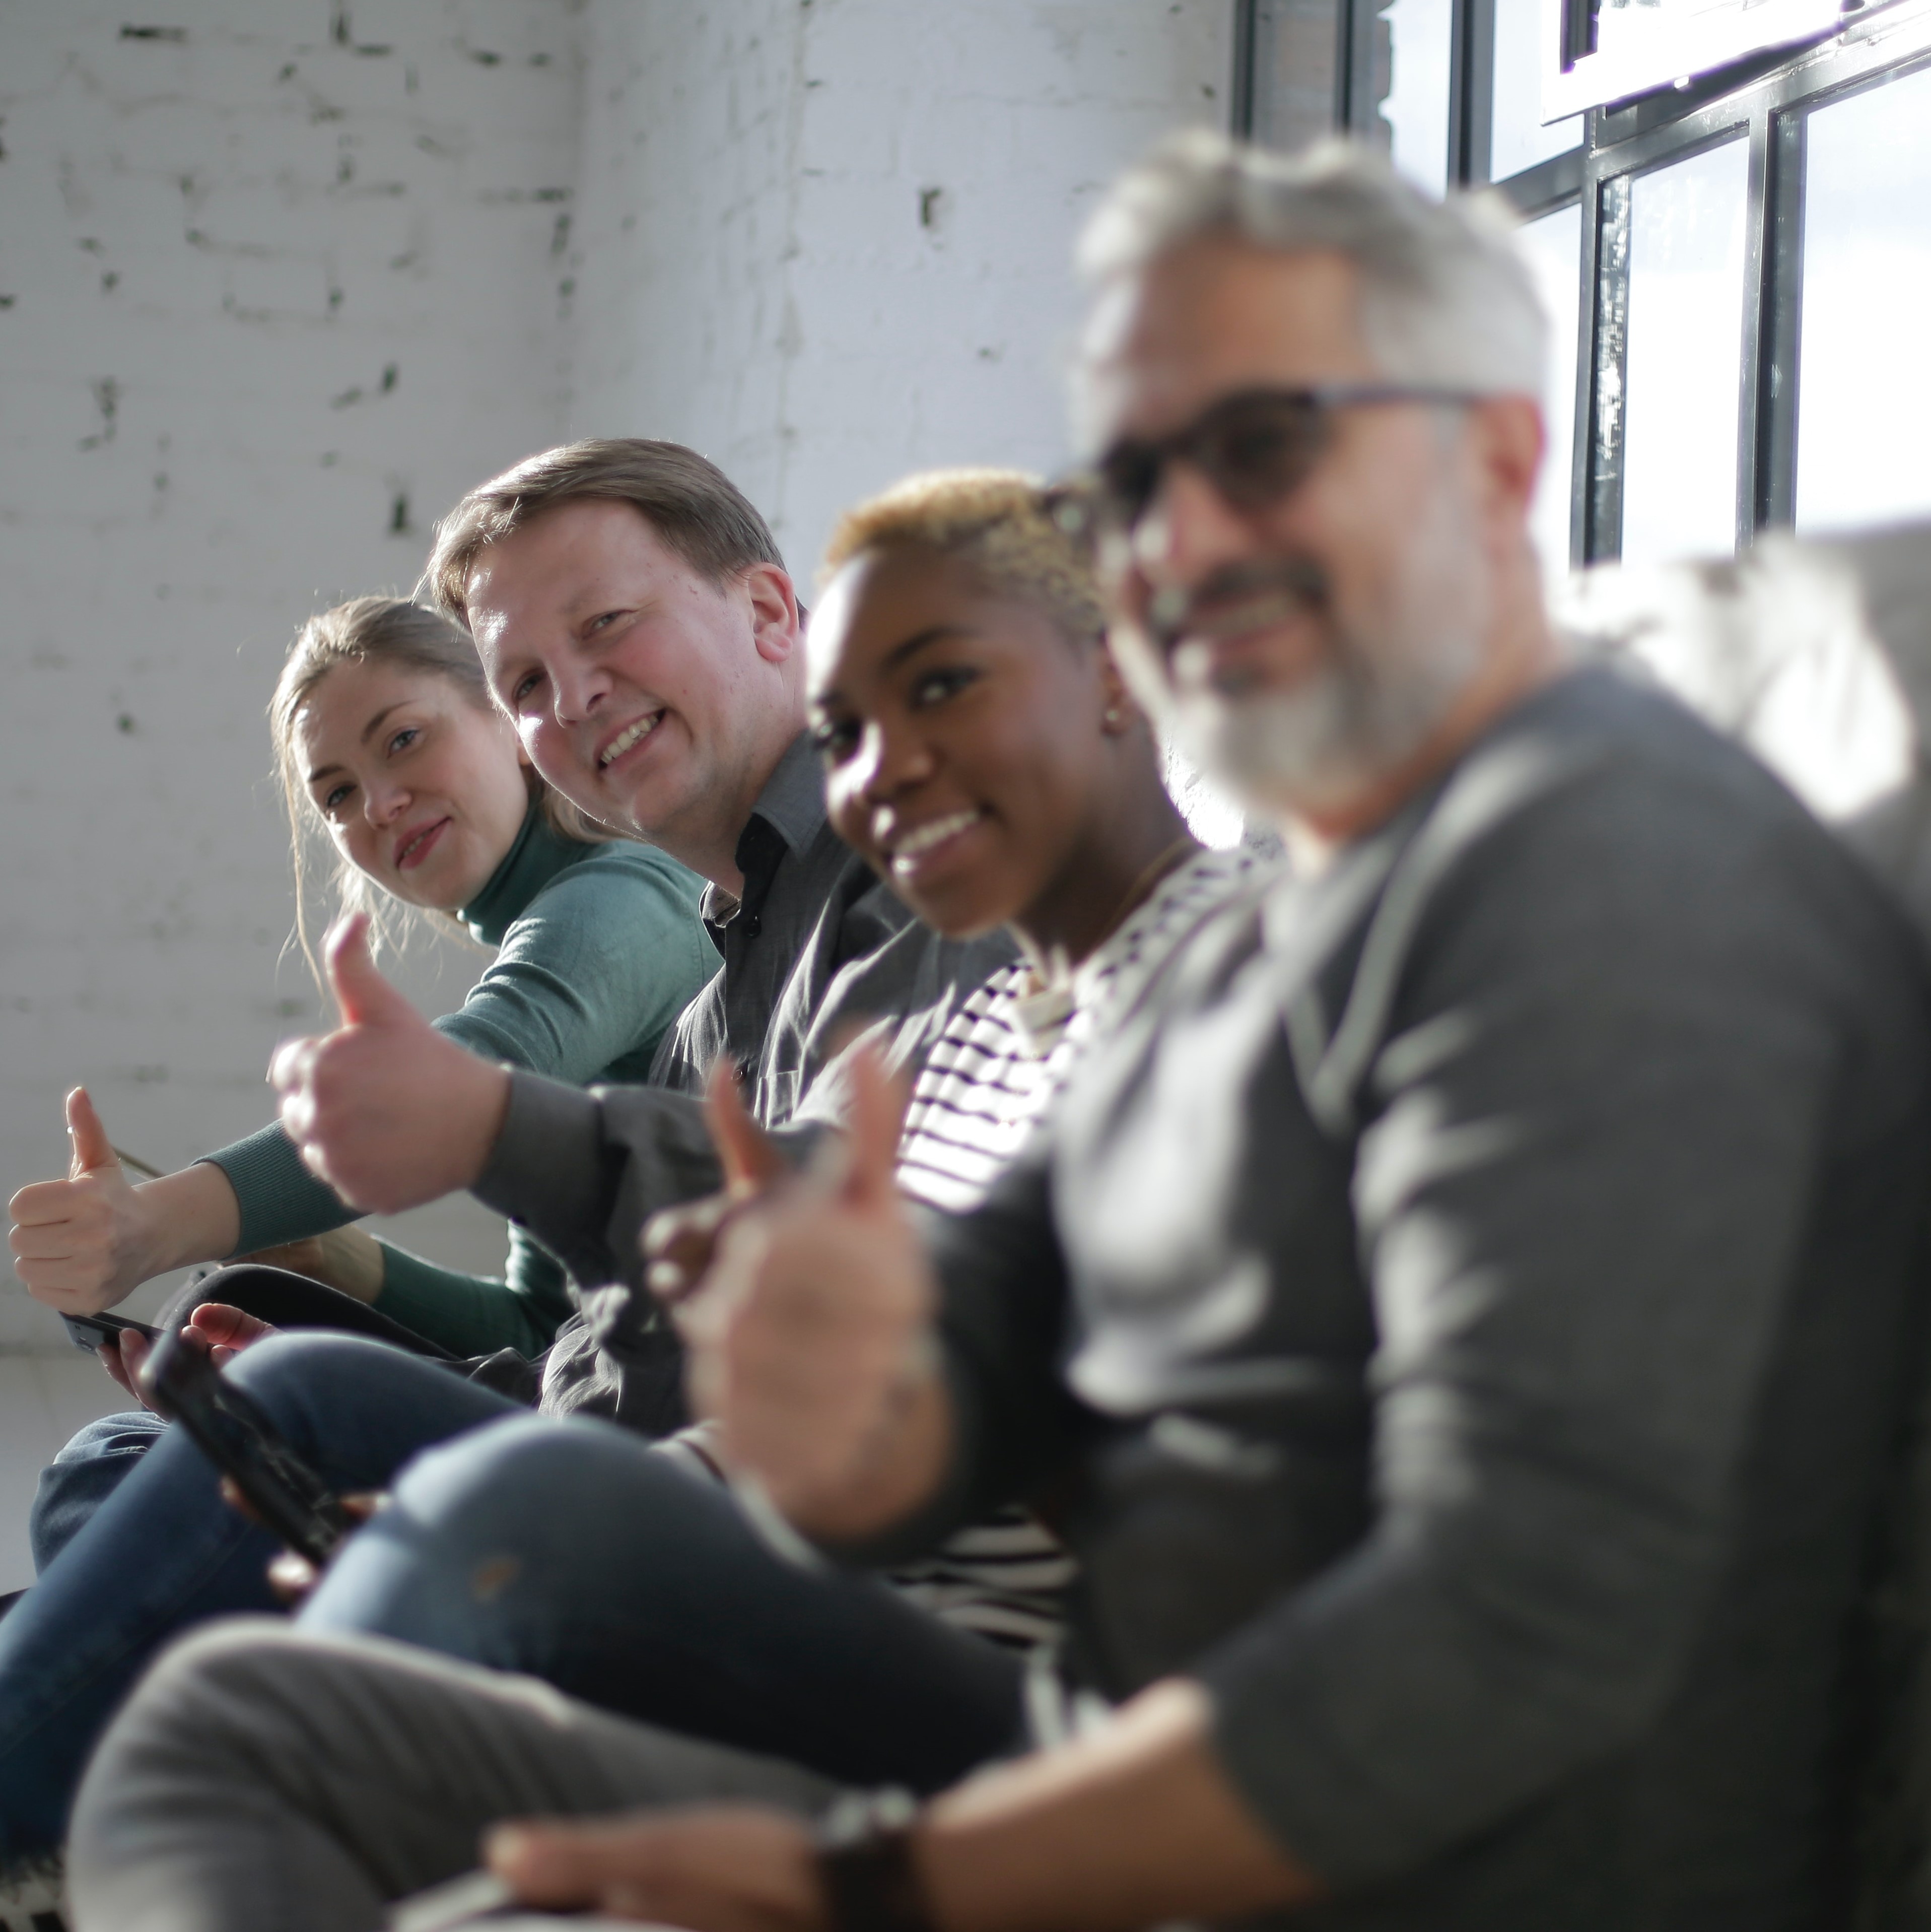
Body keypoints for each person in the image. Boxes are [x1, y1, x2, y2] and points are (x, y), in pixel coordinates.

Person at [69, 134, 1931, 1932]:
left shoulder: (1608, 887)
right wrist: (835, 1410)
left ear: (1502, 458)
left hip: (1283, 1832)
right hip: (1056, 1730)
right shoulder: (1206, 976)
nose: (1183, 542)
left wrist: (882, 1874)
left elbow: (1515, 1615)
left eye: (1266, 445)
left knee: (503, 1512)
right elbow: (976, 1373)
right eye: (1140, 478)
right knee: (233, 1724)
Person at [0, 442, 1008, 1864]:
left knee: (278, 1406)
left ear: (775, 617)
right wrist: (330, 1268)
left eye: (605, 629)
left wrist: (174, 1222)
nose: (574, 696)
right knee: (135, 1459)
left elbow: (510, 1062)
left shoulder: (806, 871)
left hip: (784, 1539)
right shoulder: (726, 971)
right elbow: (586, 1325)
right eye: (530, 678)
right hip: (649, 1458)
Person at [253, 468, 1252, 1791]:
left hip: (1024, 1704)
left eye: (945, 690)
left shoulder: (1216, 974)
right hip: (847, 1572)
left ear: (1118, 684)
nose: (880, 771)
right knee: (241, 1635)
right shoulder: (851, 1008)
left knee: (302, 1648)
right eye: (849, 728)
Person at [8, 594, 714, 1568]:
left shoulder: (622, 897)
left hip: (654, 1444)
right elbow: (550, 1328)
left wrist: (155, 1225)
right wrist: (348, 1266)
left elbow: (444, 1079)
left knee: (110, 1473)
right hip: (593, 1388)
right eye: (336, 793)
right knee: (212, 1348)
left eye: (405, 740)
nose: (376, 805)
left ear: (510, 727)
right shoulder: (562, 912)